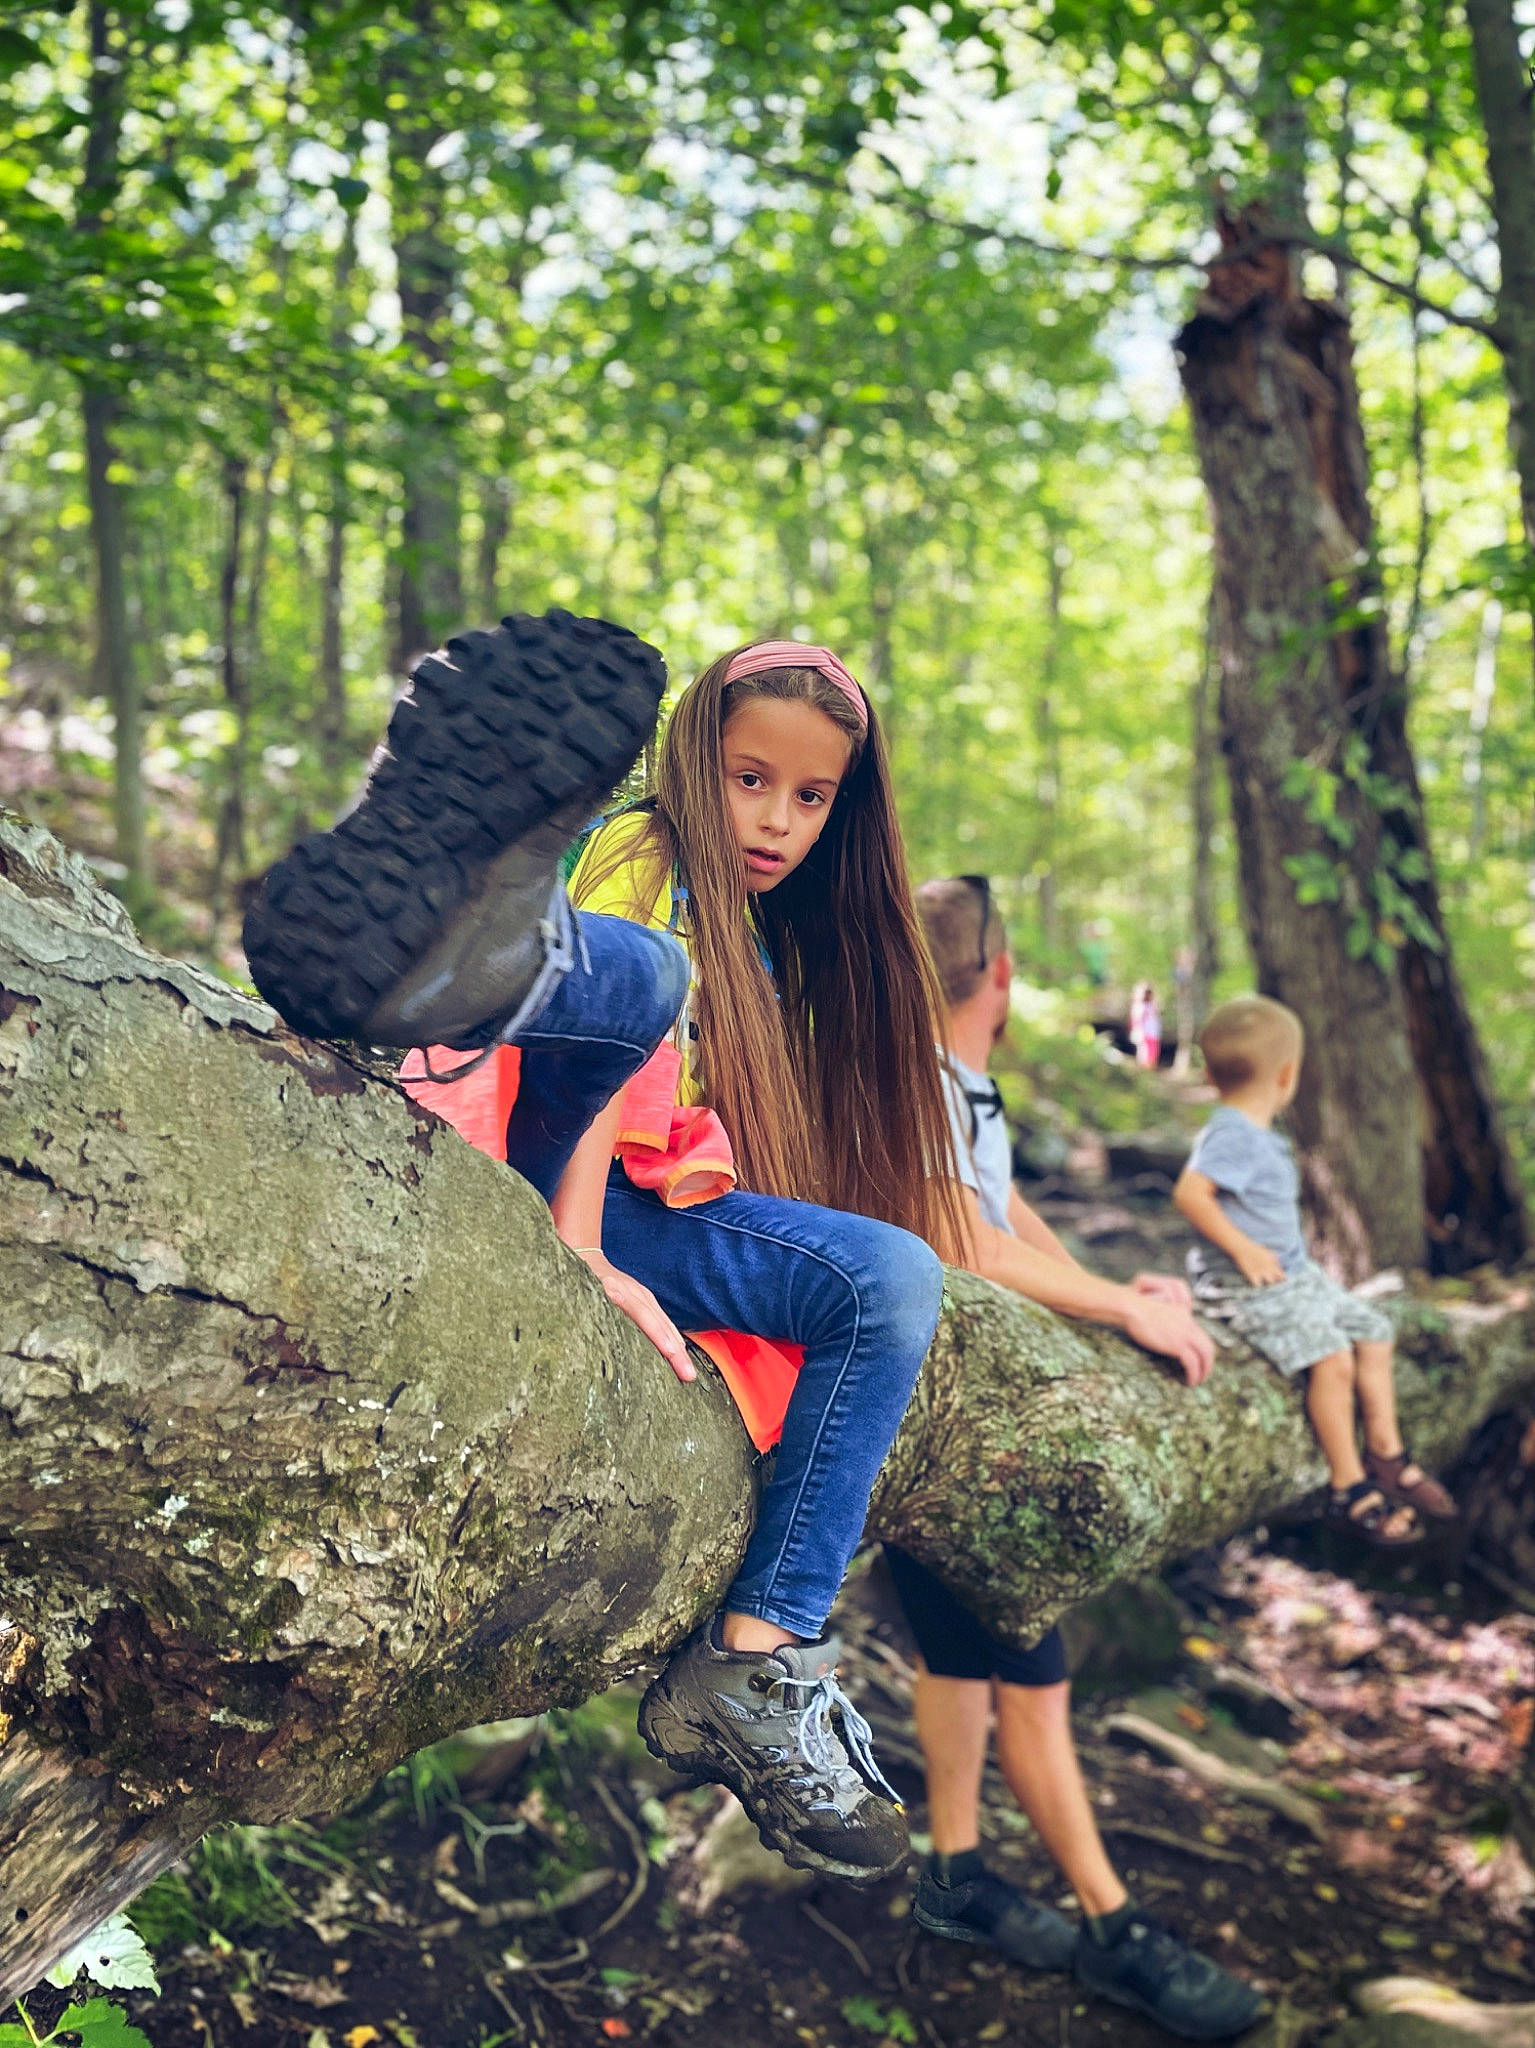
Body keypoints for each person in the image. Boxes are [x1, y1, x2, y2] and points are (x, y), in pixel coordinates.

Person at [242, 612, 964, 1885]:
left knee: (888, 1270)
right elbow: (591, 1076)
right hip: (544, 1154)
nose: (776, 820)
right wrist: (578, 1247)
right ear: (695, 760)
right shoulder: (644, 848)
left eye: (809, 796)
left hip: (645, 1196)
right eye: (750, 780)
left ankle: (751, 1659)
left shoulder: (760, 931)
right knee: (635, 980)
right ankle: (444, 969)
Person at [886, 876, 1264, 2043]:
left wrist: (1112, 1298)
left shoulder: (951, 1083)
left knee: (956, 1656)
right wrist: (1121, 1305)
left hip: (941, 1426)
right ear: (997, 976)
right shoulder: (923, 1084)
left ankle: (954, 1872)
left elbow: (996, 1210)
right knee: (1033, 1679)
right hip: (952, 1439)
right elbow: (957, 1234)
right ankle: (1114, 1927)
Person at [1172, 995, 1457, 1547]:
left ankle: (1386, 1452)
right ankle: (1347, 1486)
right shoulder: (1230, 1131)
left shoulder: (1260, 1135)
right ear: (1288, 1075)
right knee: (1332, 1357)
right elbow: (1190, 1194)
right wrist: (1245, 1250)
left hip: (1292, 1276)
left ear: (1208, 1074)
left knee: (1374, 1329)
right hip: (1242, 1287)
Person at [1130, 980, 1163, 1070]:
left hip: (1153, 1034)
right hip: (1144, 1034)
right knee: (1144, 1055)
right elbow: (1137, 1021)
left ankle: (1149, 1072)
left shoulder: (1152, 1005)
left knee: (1152, 1055)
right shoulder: (1139, 1006)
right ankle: (1144, 1073)